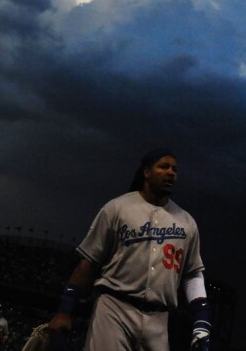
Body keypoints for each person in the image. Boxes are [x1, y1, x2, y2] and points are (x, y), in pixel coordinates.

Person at [48, 147, 211, 351]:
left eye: (174, 169)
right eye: (163, 166)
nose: (171, 172)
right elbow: (88, 262)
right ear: (146, 172)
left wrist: (201, 319)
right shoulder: (117, 208)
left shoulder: (187, 222)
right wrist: (65, 310)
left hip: (159, 318)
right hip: (115, 309)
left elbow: (192, 274)